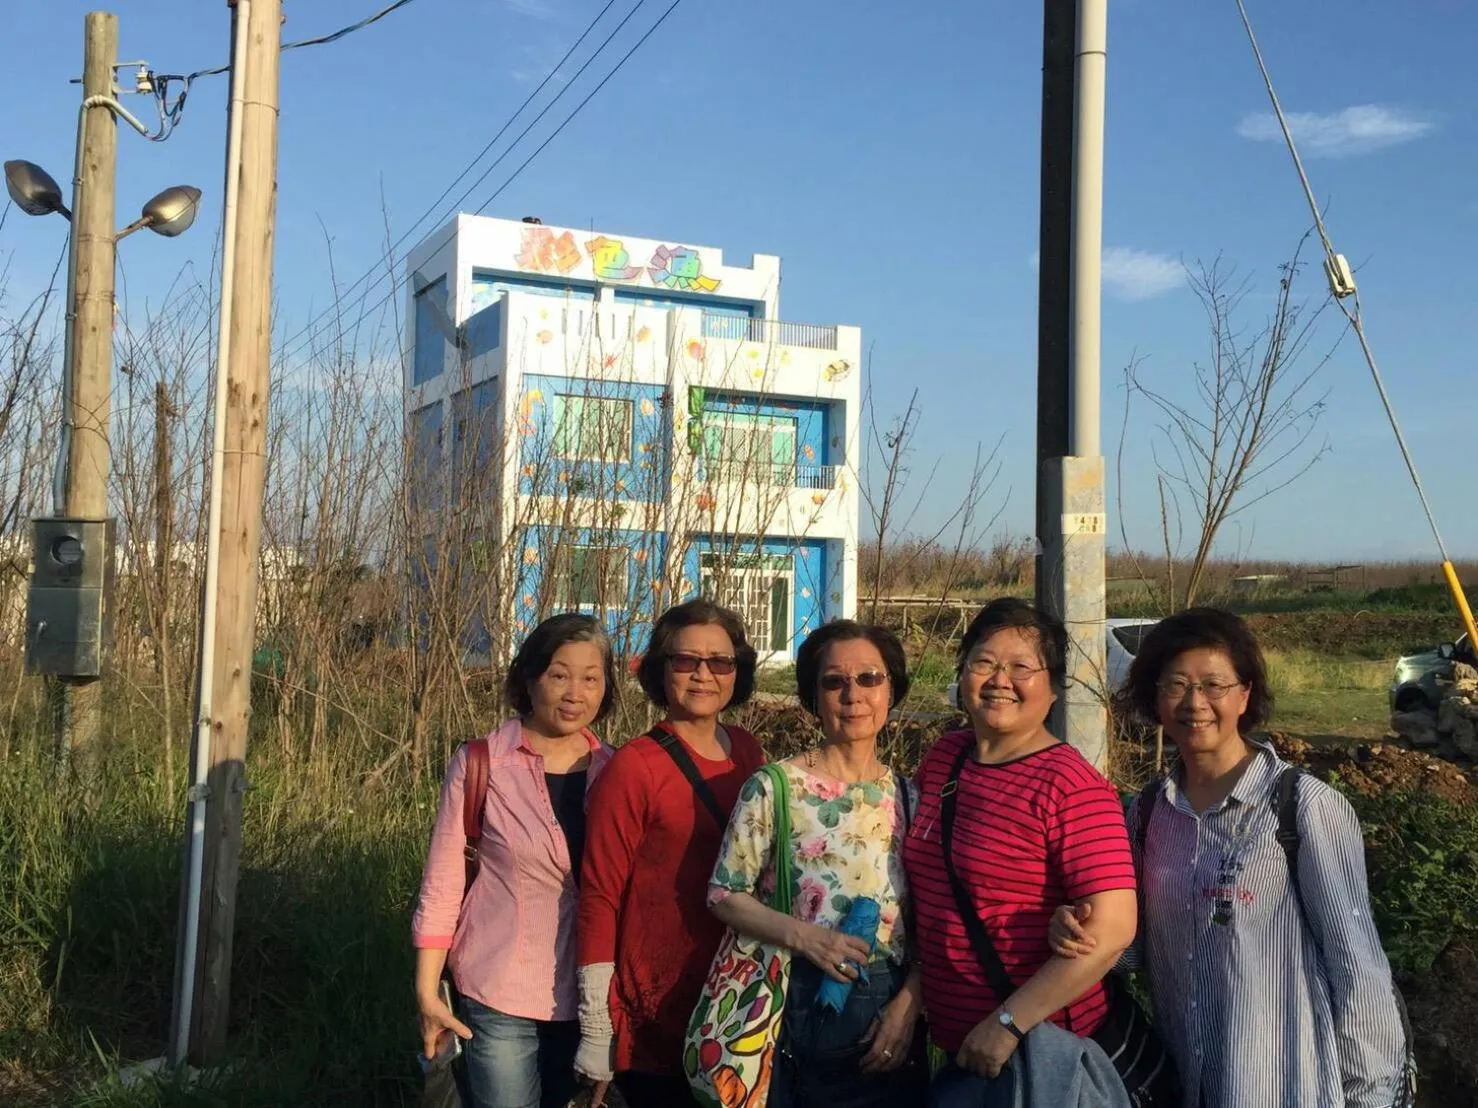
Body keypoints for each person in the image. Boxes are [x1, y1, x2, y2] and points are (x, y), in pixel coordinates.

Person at [1049, 607, 1409, 1108]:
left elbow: (1357, 965)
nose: (1195, 703)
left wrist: (1371, 1093)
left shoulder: (1301, 807)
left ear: (1245, 695)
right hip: (1183, 1083)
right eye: (1175, 684)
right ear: (1154, 697)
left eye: (1214, 685)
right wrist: (1078, 926)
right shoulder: (1148, 814)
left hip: (1283, 1085)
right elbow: (1132, 953)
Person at [901, 598, 1141, 1099]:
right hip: (959, 1050)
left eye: (1021, 668)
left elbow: (1114, 927)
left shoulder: (1071, 786)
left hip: (1039, 1056)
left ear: (1053, 686)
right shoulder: (947, 758)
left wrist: (1009, 1023)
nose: (998, 680)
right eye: (983, 662)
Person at [706, 620, 927, 1108]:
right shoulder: (775, 788)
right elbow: (723, 894)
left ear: (891, 689)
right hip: (797, 995)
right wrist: (810, 938)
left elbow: (930, 922)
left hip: (888, 1002)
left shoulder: (911, 797)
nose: (853, 694)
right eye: (835, 681)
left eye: (870, 678)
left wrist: (908, 1007)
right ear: (813, 696)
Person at [412, 613, 617, 1108]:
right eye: (559, 674)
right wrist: (426, 992)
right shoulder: (483, 762)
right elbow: (442, 884)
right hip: (498, 989)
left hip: (590, 997)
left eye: (591, 678)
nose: (575, 693)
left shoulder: (618, 770)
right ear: (530, 678)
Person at [574, 599, 767, 1107]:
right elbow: (599, 896)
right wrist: (597, 1025)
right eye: (686, 661)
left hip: (734, 1001)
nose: (703, 675)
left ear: (737, 671)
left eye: (720, 662)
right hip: (657, 1009)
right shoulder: (635, 768)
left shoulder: (749, 751)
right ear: (663, 669)